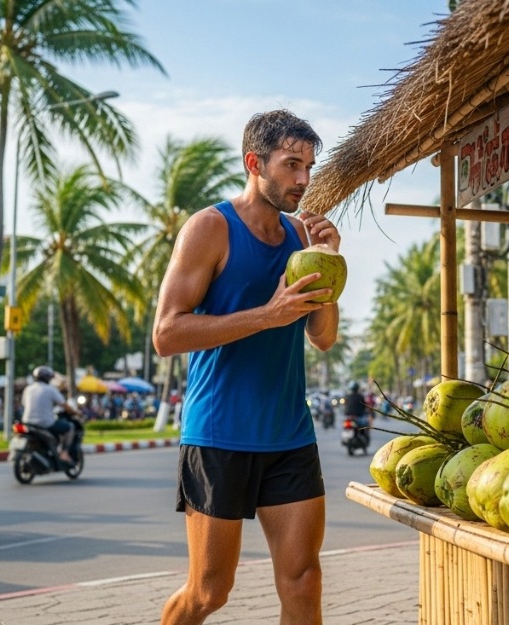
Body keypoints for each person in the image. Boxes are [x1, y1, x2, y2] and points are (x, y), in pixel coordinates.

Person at [152, 109, 340, 625]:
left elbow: (323, 339)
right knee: (210, 593)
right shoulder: (210, 228)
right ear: (254, 162)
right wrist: (267, 315)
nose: (304, 179)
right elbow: (166, 334)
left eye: (309, 166)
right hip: (219, 436)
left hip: (290, 436)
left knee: (304, 581)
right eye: (291, 165)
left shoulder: (304, 237)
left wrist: (330, 261)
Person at [21, 365, 79, 464]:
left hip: (27, 422)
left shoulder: (28, 389)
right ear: (48, 378)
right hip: (45, 423)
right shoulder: (50, 389)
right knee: (70, 427)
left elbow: (24, 403)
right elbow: (64, 405)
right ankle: (64, 453)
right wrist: (75, 412)